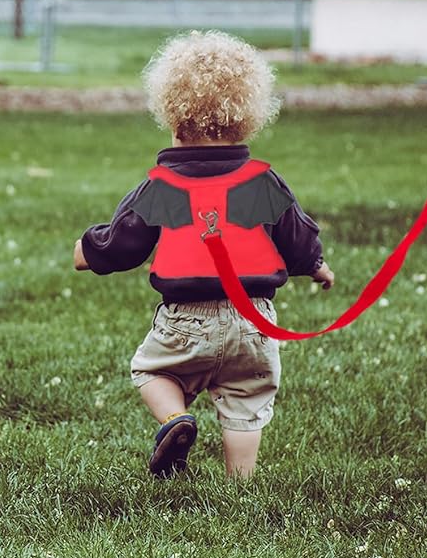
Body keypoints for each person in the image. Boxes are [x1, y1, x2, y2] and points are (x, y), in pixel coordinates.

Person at [73, 30, 334, 479]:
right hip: (254, 319)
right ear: (246, 121)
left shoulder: (162, 186)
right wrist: (316, 265)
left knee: (152, 372)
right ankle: (239, 486)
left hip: (185, 321)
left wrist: (87, 251)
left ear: (174, 121)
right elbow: (296, 235)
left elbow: (124, 241)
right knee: (246, 401)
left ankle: (176, 419)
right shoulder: (262, 182)